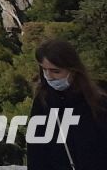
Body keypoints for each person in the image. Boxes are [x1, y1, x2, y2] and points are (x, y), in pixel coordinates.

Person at [28, 39, 107, 169]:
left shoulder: (99, 98)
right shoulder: (43, 100)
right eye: (44, 69)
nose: (49, 76)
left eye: (56, 71)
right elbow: (36, 149)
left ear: (73, 69)